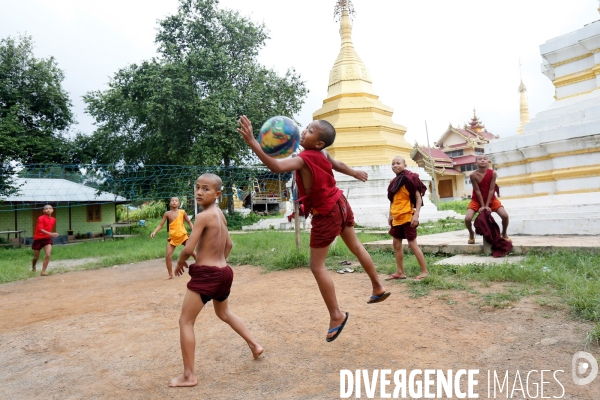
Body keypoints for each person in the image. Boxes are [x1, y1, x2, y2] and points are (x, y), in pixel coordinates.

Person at [238, 115, 389, 343]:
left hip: (326, 212)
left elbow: (276, 165)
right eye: (306, 128)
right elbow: (339, 166)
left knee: (317, 266)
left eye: (309, 131)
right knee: (356, 247)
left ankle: (336, 315)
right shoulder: (323, 154)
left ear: (319, 143)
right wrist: (355, 173)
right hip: (340, 204)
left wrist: (252, 141)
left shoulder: (304, 159)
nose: (304, 132)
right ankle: (377, 287)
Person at [169, 174, 263, 388]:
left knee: (185, 321)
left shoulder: (203, 217)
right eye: (197, 188)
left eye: (206, 189)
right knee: (224, 313)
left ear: (218, 194)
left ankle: (189, 376)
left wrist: (181, 262)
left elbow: (188, 248)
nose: (200, 192)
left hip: (208, 274)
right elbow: (228, 245)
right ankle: (255, 345)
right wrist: (218, 267)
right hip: (225, 273)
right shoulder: (220, 215)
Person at [385, 156, 430, 281]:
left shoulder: (410, 179)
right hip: (396, 217)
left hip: (408, 215)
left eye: (398, 163)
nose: (395, 165)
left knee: (412, 243)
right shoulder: (393, 182)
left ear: (405, 165)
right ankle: (400, 272)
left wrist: (416, 214)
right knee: (396, 244)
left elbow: (418, 198)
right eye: (393, 163)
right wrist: (390, 215)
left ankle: (425, 271)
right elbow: (392, 200)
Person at [465, 154, 510, 244]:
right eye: (480, 159)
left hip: (491, 199)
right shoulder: (473, 175)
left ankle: (504, 233)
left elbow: (491, 190)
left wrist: (487, 205)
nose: (482, 160)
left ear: (488, 161)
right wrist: (482, 206)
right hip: (477, 200)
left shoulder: (493, 173)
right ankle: (471, 233)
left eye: (485, 159)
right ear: (476, 162)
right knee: (467, 218)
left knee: (505, 216)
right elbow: (477, 191)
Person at [150, 197, 196, 280]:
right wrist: (154, 232)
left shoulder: (182, 212)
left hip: (183, 236)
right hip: (173, 237)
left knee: (191, 251)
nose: (174, 202)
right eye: (172, 201)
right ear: (170, 203)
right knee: (168, 255)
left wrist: (194, 230)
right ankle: (170, 274)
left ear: (178, 203)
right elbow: (161, 225)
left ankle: (204, 266)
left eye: (176, 201)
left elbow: (189, 222)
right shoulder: (167, 214)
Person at [31, 204, 59, 276]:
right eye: (46, 209)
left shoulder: (53, 219)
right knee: (36, 257)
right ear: (44, 211)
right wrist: (51, 233)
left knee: (48, 255)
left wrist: (51, 234)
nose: (48, 210)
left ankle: (43, 272)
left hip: (47, 238)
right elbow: (40, 229)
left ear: (52, 210)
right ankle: (33, 266)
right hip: (38, 239)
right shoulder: (41, 218)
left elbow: (49, 228)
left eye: (50, 208)